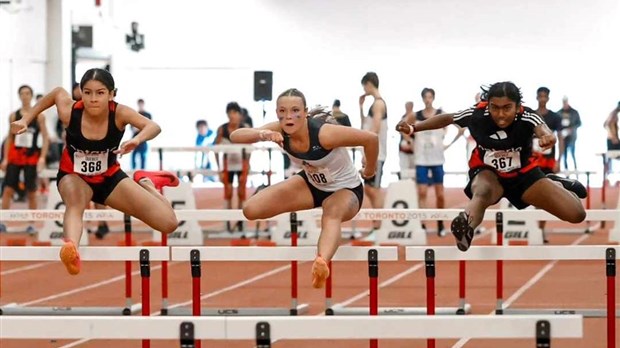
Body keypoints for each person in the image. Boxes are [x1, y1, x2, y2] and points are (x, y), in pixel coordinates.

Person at [10, 68, 179, 275]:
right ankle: (71, 247)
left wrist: (136, 139)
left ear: (111, 94)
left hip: (109, 178)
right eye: (87, 92)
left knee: (169, 223)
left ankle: (146, 183)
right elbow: (56, 93)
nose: (93, 99)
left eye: (100, 93)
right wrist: (26, 119)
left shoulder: (119, 113)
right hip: (74, 175)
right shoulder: (70, 111)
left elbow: (153, 126)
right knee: (75, 201)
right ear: (81, 92)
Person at [396, 81, 587, 252]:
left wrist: (548, 137)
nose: (500, 114)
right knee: (483, 192)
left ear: (517, 106)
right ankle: (466, 226)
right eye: (495, 107)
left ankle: (556, 183)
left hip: (523, 176)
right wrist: (414, 128)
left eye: (507, 108)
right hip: (488, 172)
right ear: (488, 105)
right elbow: (449, 118)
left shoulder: (527, 115)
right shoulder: (477, 114)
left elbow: (543, 129)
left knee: (576, 214)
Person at [230, 88, 378, 288]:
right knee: (251, 209)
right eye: (282, 111)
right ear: (277, 113)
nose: (288, 116)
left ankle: (322, 261)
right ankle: (321, 253)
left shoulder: (325, 134)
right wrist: (262, 134)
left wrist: (369, 169)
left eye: (294, 110)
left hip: (346, 189)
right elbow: (236, 136)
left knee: (331, 214)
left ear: (305, 112)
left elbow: (370, 139)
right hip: (311, 184)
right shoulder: (279, 130)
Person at [0, 85, 50, 234]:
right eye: (22, 93)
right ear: (19, 96)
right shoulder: (13, 116)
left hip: (31, 156)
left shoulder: (39, 116)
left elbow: (46, 138)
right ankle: (3, 221)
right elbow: (10, 138)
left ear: (31, 95)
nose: (25, 96)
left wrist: (42, 158)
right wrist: (5, 158)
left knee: (31, 190)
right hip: (15, 155)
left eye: (27, 93)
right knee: (8, 189)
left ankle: (32, 223)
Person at [413, 88, 461, 236]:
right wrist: (410, 141)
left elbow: (461, 128)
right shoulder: (416, 115)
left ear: (433, 98)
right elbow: (404, 127)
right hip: (421, 159)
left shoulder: (441, 114)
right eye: (425, 97)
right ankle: (422, 225)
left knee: (440, 194)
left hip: (437, 159)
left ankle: (440, 224)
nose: (428, 100)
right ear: (422, 99)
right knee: (422, 192)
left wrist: (448, 144)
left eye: (430, 97)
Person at [532, 87, 564, 243]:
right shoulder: (531, 115)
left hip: (548, 160)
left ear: (548, 98)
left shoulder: (554, 117)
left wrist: (559, 159)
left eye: (545, 96)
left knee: (546, 194)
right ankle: (533, 227)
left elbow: (561, 138)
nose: (542, 99)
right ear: (537, 98)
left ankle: (541, 228)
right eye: (540, 96)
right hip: (531, 160)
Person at [215, 102, 251, 232]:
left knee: (242, 193)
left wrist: (246, 170)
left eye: (234, 113)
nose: (232, 116)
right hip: (227, 166)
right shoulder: (222, 129)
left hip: (242, 165)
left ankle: (242, 223)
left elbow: (249, 150)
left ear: (240, 115)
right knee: (228, 193)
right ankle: (228, 224)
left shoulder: (245, 128)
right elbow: (215, 149)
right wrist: (219, 169)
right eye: (229, 113)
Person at [359, 72, 387, 231]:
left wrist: (369, 153)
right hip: (372, 152)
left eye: (364, 86)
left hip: (377, 153)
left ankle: (378, 227)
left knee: (373, 190)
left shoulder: (378, 104)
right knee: (370, 189)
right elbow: (365, 125)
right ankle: (377, 225)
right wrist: (361, 108)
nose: (364, 89)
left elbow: (374, 129)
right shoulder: (374, 104)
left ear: (369, 84)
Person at [557, 97, 581, 171]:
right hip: (563, 137)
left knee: (573, 152)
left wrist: (572, 128)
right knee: (564, 153)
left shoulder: (574, 112)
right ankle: (566, 169)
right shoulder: (559, 113)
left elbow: (579, 123)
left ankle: (575, 168)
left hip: (572, 136)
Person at [131, 98, 152, 170]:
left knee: (143, 156)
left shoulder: (148, 115)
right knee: (133, 155)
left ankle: (143, 170)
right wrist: (142, 127)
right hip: (135, 138)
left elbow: (150, 127)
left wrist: (140, 127)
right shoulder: (134, 114)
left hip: (144, 139)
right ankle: (133, 170)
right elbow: (133, 129)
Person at [398, 101, 415, 180]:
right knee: (404, 171)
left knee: (414, 172)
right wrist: (408, 141)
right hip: (404, 149)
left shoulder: (415, 117)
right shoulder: (403, 118)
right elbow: (401, 130)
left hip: (414, 149)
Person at [604, 101, 620, 174]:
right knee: (610, 158)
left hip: (612, 139)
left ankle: (609, 172)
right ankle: (608, 173)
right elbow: (607, 125)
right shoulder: (614, 114)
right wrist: (613, 137)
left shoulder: (614, 113)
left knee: (610, 158)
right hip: (612, 140)